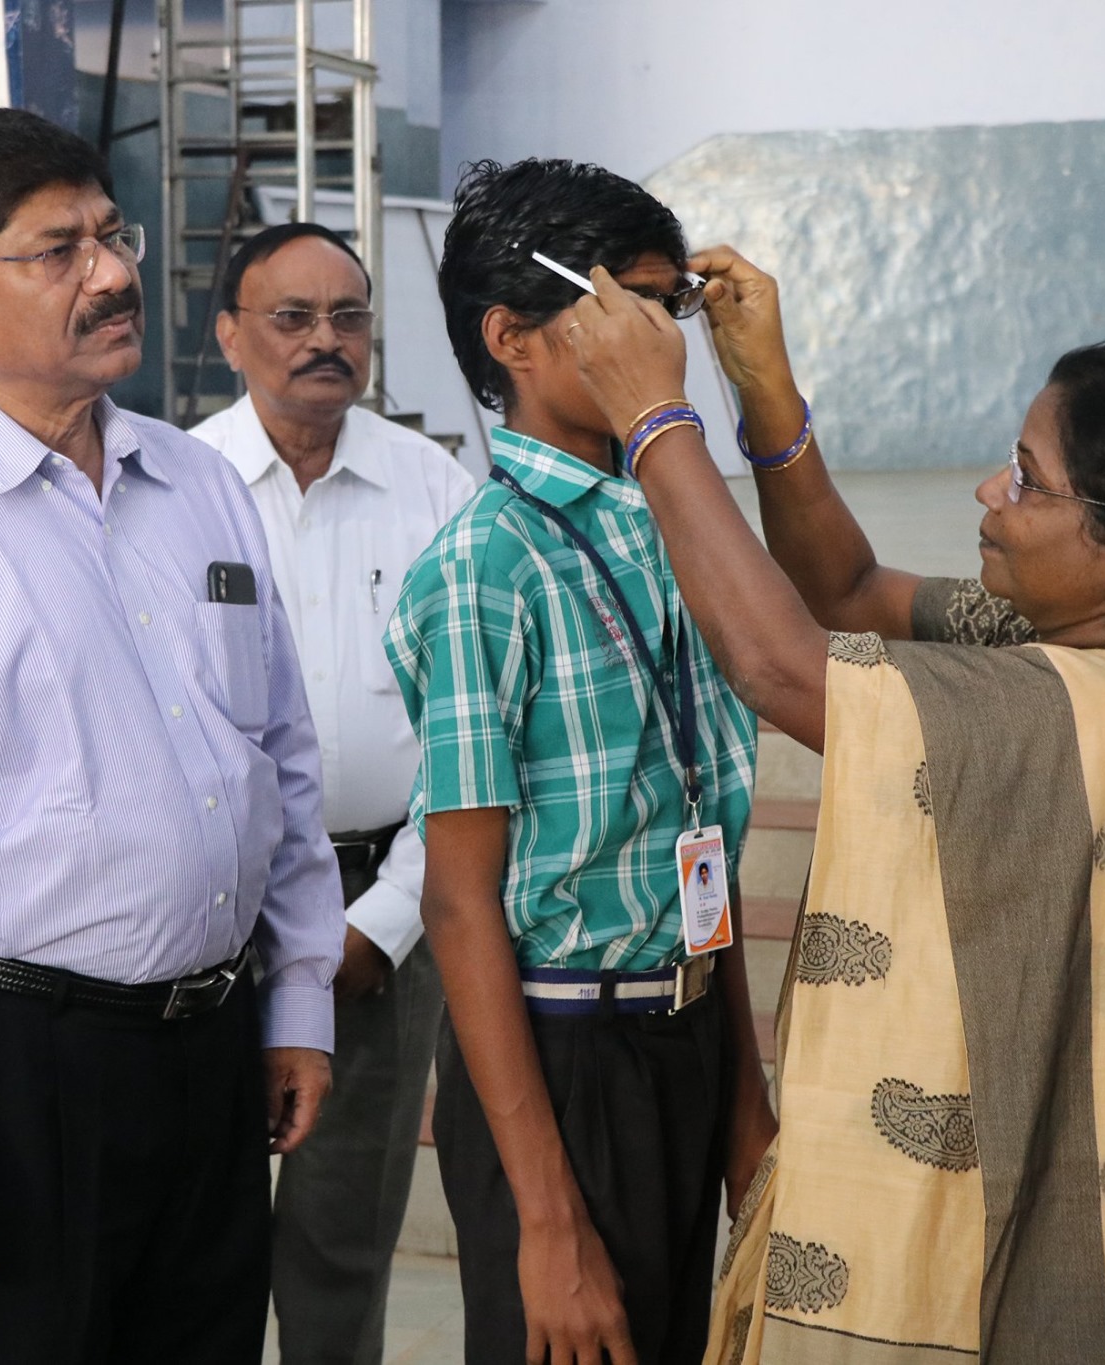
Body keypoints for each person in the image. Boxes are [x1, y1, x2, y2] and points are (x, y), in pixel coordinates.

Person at [557, 247, 1105, 1362]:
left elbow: (779, 664)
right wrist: (765, 390)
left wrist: (653, 419)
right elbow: (845, 593)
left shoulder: (1061, 711)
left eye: (1025, 479)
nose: (988, 493)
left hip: (964, 1289)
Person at [0, 107, 342, 1363]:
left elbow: (281, 760)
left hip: (214, 1057)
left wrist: (297, 996)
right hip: (22, 1077)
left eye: (111, 235)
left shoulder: (197, 485)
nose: (112, 274)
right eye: (58, 251)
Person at [383, 159, 771, 1365]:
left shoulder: (668, 524)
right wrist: (546, 1223)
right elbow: (458, 904)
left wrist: (743, 1103)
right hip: (564, 1061)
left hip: (683, 1035)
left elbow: (693, 843)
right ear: (512, 339)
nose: (659, 343)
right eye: (624, 308)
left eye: (667, 309)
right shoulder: (485, 567)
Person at [189, 221, 475, 1365]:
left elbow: (472, 734)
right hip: (210, 916)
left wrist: (387, 919)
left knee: (341, 1234)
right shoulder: (172, 487)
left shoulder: (435, 489)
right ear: (229, 336)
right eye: (292, 317)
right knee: (198, 1226)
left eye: (347, 316)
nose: (326, 339)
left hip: (384, 914)